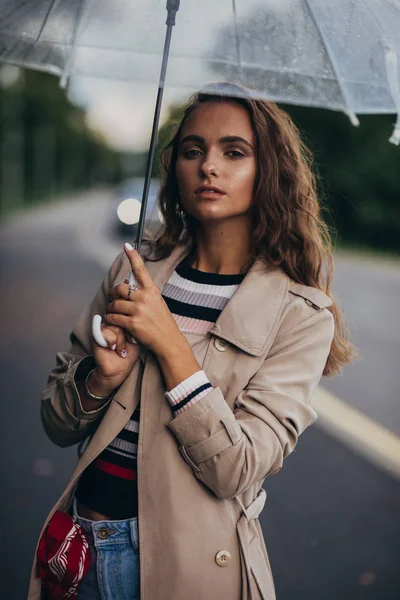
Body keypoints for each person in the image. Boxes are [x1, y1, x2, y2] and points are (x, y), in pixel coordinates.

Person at [28, 83, 355, 600]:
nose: (209, 166)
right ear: (175, 165)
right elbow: (56, 422)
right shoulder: (133, 272)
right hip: (81, 551)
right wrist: (99, 378)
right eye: (193, 150)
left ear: (268, 170)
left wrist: (172, 347)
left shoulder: (301, 313)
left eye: (234, 152)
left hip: (188, 570)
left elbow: (236, 470)